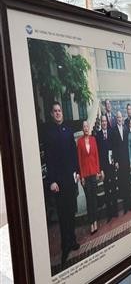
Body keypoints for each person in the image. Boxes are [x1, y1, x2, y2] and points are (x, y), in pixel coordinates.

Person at [42, 102, 80, 266]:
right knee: (63, 214)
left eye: (60, 111)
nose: (58, 113)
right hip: (58, 182)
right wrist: (52, 181)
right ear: (52, 114)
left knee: (71, 211)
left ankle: (72, 240)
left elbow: (73, 153)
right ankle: (65, 245)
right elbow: (49, 160)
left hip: (70, 179)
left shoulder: (68, 131)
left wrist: (77, 172)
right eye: (55, 111)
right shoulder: (49, 134)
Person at [76, 120, 102, 234]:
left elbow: (96, 156)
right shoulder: (79, 141)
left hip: (93, 173)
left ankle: (95, 221)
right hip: (85, 175)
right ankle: (91, 223)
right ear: (82, 129)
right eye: (84, 126)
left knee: (94, 199)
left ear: (89, 128)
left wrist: (97, 171)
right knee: (88, 199)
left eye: (87, 126)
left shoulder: (93, 139)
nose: (86, 128)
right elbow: (80, 160)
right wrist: (81, 176)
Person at [96, 114, 118, 221]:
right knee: (107, 189)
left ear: (107, 122)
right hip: (104, 168)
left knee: (113, 187)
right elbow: (98, 154)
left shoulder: (111, 132)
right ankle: (109, 213)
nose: (104, 123)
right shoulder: (98, 135)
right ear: (101, 122)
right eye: (102, 121)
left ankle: (115, 211)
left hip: (111, 165)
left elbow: (114, 147)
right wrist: (100, 169)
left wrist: (115, 159)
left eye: (105, 121)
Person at [112, 110, 131, 214]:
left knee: (128, 182)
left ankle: (129, 205)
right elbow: (114, 148)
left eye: (120, 117)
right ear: (116, 119)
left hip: (127, 160)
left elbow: (128, 145)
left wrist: (130, 160)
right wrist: (115, 161)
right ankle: (125, 207)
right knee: (122, 183)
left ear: (122, 118)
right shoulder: (114, 130)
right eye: (118, 118)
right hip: (119, 162)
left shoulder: (126, 128)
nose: (119, 119)